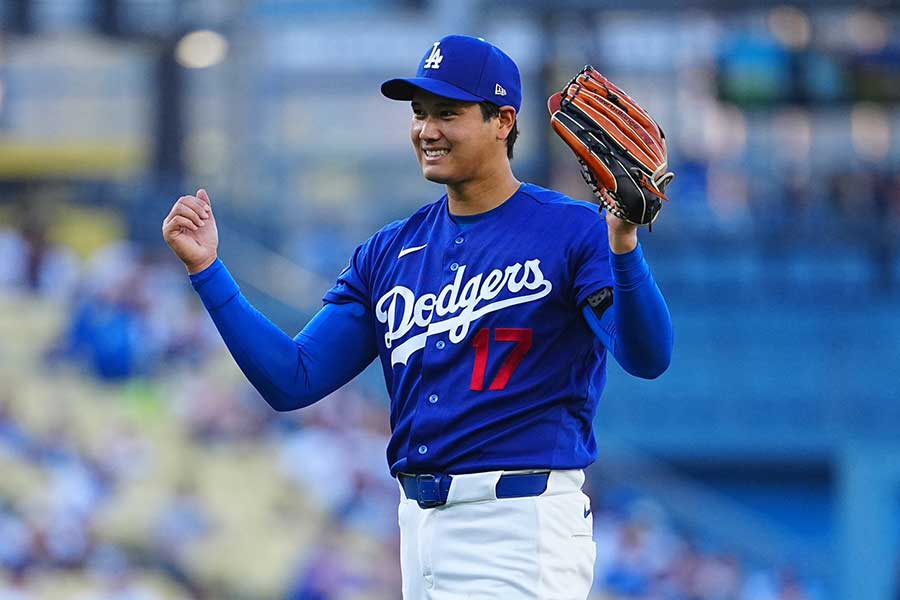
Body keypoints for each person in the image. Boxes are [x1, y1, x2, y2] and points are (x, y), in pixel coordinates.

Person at [162, 34, 673, 600]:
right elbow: (293, 379)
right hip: (419, 528)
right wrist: (208, 270)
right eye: (419, 113)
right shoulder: (389, 251)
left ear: (503, 121)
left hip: (520, 524)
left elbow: (647, 355)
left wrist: (624, 244)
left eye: (447, 113)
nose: (427, 129)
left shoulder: (572, 230)